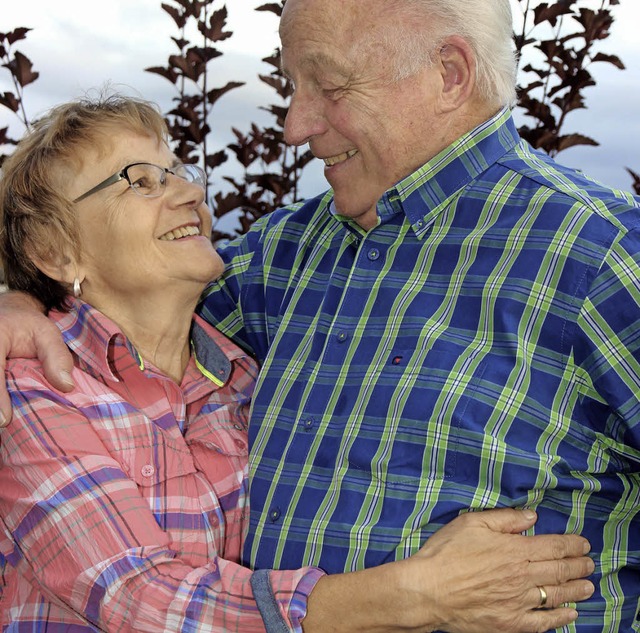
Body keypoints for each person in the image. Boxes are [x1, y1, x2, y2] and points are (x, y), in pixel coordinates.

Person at [8, 0, 640, 630]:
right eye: (292, 86)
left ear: (449, 73)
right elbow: (118, 306)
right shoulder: (280, 257)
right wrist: (16, 304)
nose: (294, 125)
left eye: (329, 85)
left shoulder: (599, 253)